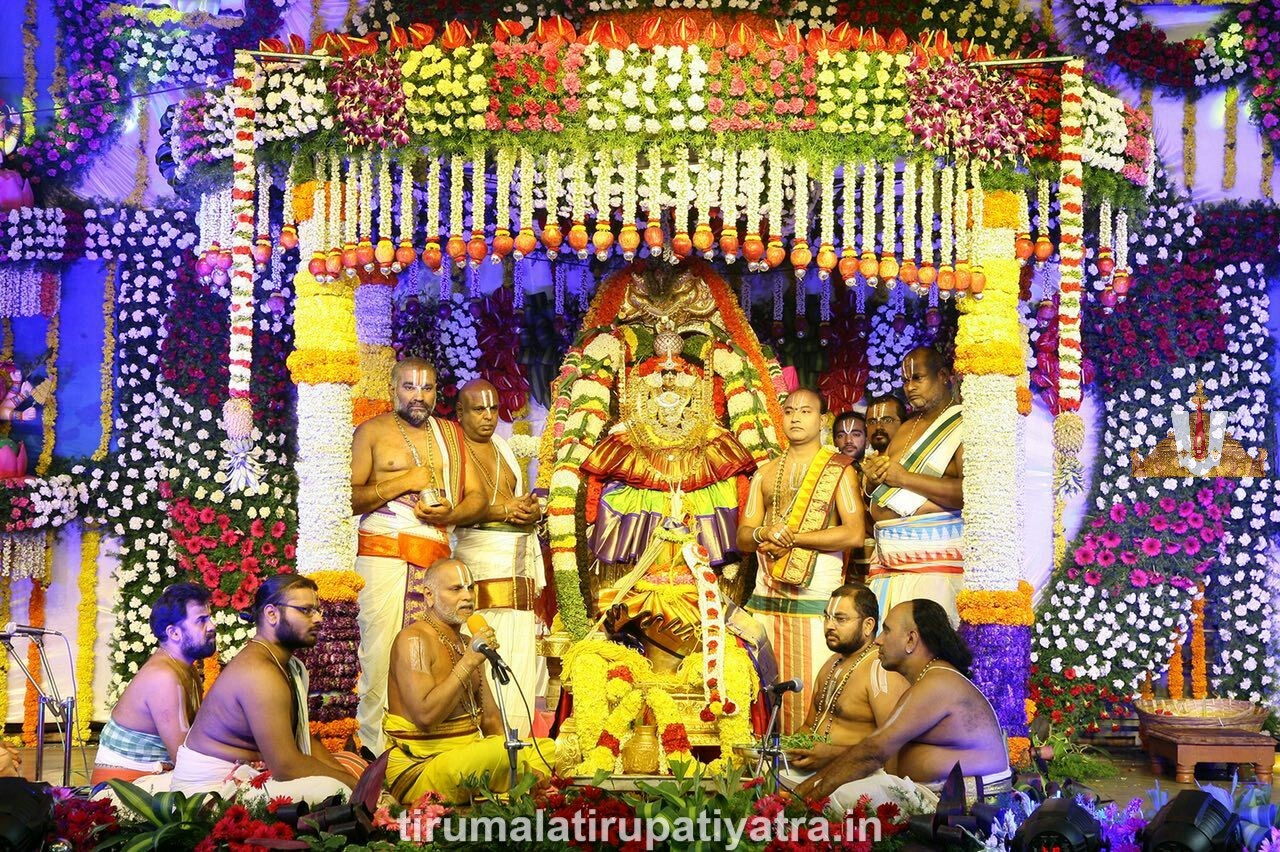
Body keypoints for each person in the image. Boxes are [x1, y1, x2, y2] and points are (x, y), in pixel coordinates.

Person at [351, 357, 480, 752]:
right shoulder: (371, 432)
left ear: (436, 391)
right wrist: (404, 482)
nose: (418, 395)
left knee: (437, 653)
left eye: (426, 388)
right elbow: (350, 498)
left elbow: (476, 498)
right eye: (409, 386)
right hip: (385, 556)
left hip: (436, 561)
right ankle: (375, 753)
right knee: (377, 657)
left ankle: (431, 748)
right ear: (394, 389)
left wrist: (450, 513)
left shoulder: (450, 435)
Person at [794, 599, 1011, 811]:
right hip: (933, 793)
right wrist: (812, 785)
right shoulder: (929, 679)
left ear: (911, 640)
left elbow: (873, 750)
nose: (878, 640)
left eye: (886, 630)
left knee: (843, 798)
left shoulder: (938, 682)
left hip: (967, 804)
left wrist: (808, 795)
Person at [739, 388, 866, 733]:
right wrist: (764, 535)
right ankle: (766, 774)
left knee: (814, 685)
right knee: (763, 686)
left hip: (815, 601)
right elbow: (743, 537)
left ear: (822, 420)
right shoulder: (765, 473)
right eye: (790, 410)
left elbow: (854, 533)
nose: (796, 417)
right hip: (766, 599)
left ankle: (809, 770)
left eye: (806, 411)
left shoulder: (839, 470)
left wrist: (792, 537)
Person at [173, 574, 359, 803]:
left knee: (350, 767)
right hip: (208, 794)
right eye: (306, 610)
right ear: (272, 614)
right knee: (332, 791)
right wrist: (354, 787)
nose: (318, 618)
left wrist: (350, 777)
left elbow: (304, 738)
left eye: (317, 610)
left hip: (244, 775)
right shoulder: (259, 671)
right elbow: (286, 766)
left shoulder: (285, 664)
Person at [382, 559, 555, 804]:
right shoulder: (413, 641)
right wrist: (468, 662)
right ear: (429, 595)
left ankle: (512, 779)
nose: (467, 597)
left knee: (542, 749)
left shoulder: (466, 642)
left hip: (465, 755)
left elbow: (491, 720)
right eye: (455, 589)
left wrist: (518, 757)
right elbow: (425, 716)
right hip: (422, 768)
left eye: (470, 588)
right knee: (500, 754)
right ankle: (516, 782)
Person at [450, 379, 545, 737]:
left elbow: (516, 499)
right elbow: (451, 510)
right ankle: (487, 741)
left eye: (492, 408)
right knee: (483, 649)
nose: (489, 417)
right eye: (479, 409)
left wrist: (529, 511)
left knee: (519, 654)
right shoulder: (453, 451)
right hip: (480, 562)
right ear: (460, 412)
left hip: (518, 565)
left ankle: (519, 742)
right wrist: (502, 509)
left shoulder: (503, 446)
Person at [861, 348, 965, 626]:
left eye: (917, 378)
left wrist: (904, 478)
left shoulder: (963, 423)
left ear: (943, 376)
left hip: (932, 570)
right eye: (905, 380)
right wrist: (874, 479)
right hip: (887, 566)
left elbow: (969, 495)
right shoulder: (906, 427)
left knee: (923, 652)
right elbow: (889, 486)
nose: (909, 387)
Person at [91, 583, 216, 785]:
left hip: (153, 780)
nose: (212, 626)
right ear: (174, 633)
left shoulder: (186, 668)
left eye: (209, 618)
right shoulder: (164, 677)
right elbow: (185, 760)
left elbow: (197, 738)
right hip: (121, 791)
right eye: (201, 620)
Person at [787, 584, 908, 776]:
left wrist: (832, 755)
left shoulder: (882, 669)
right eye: (827, 617)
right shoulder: (832, 663)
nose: (829, 626)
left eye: (840, 619)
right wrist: (784, 750)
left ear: (868, 625)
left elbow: (893, 747)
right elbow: (809, 727)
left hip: (858, 778)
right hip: (813, 771)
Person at [849, 395, 906, 583]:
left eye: (887, 420)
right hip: (867, 566)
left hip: (908, 561)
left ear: (904, 423)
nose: (879, 427)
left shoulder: (910, 464)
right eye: (872, 421)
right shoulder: (859, 468)